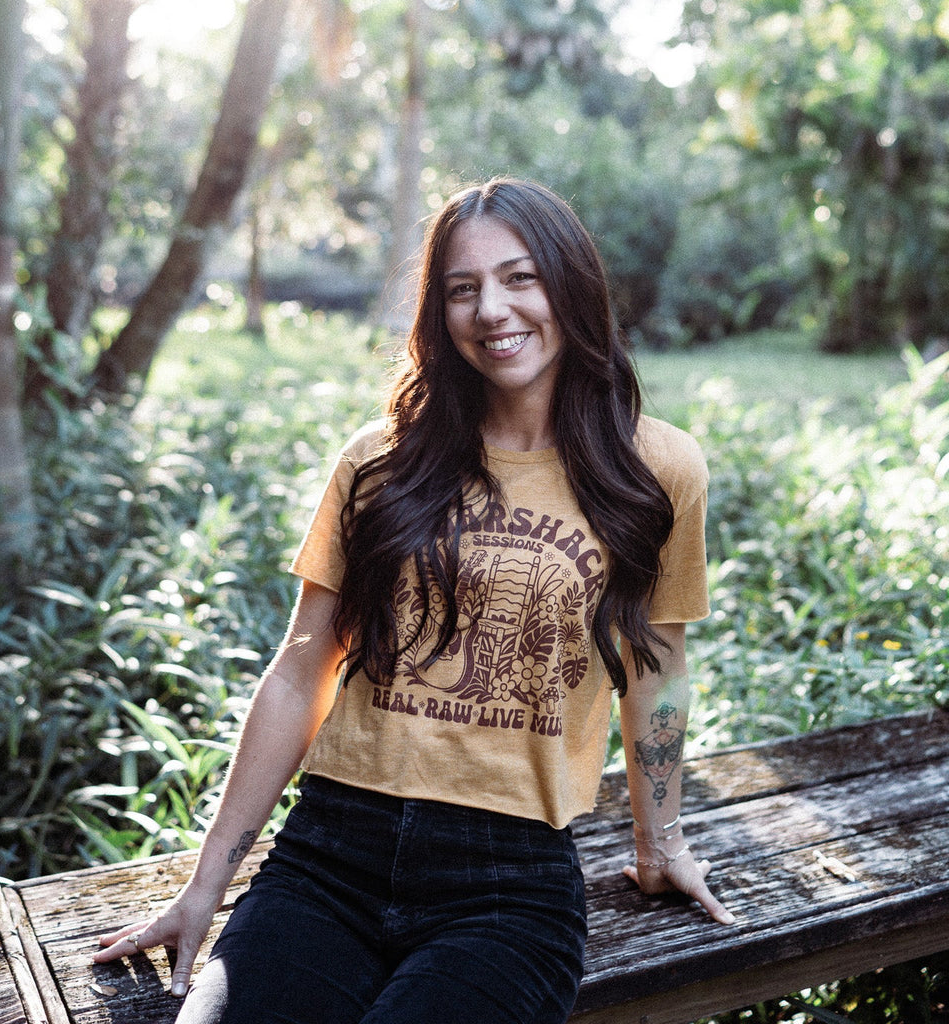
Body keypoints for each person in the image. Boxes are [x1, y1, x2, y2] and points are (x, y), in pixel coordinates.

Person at [94, 177, 734, 1024]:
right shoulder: (380, 462)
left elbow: (656, 667)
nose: (491, 310)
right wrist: (205, 885)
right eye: (462, 289)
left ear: (571, 285)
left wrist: (662, 844)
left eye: (520, 277)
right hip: (329, 858)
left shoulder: (656, 469)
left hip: (508, 888)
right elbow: (302, 666)